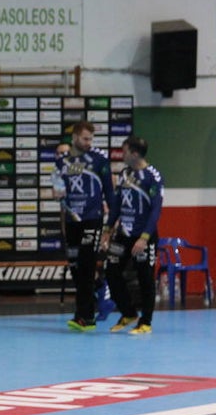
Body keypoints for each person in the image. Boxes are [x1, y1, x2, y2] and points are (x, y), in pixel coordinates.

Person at [53, 121, 113, 331]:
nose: (89, 143)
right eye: (85, 138)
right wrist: (57, 191)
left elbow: (110, 191)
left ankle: (87, 317)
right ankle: (83, 313)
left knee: (87, 266)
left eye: (91, 139)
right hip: (72, 221)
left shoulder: (99, 159)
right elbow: (58, 190)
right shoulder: (63, 162)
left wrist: (109, 226)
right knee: (76, 268)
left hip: (92, 220)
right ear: (75, 137)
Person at [103, 136, 163, 336]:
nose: (122, 155)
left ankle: (145, 322)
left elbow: (155, 210)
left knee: (145, 277)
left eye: (125, 151)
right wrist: (107, 229)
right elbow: (117, 204)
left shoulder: (153, 176)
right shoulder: (124, 173)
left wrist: (144, 238)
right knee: (111, 270)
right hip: (123, 234)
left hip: (143, 236)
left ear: (135, 154)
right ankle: (128, 313)